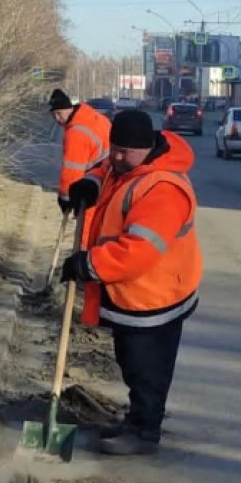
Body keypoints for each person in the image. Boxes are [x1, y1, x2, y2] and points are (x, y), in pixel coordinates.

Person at [61, 110, 202, 456]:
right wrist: (89, 184)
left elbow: (137, 252)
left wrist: (88, 265)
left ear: (148, 148)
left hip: (156, 296)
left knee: (147, 367)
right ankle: (136, 418)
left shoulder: (164, 189)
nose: (118, 157)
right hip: (131, 293)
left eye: (127, 152)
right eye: (115, 149)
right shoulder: (125, 166)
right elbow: (105, 170)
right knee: (129, 359)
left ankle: (144, 431)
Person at [48, 89, 111, 242]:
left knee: (86, 233)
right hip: (109, 180)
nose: (56, 119)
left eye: (59, 113)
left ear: (69, 109)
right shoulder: (94, 117)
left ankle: (82, 262)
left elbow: (72, 171)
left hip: (90, 186)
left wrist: (66, 198)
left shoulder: (76, 132)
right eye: (53, 115)